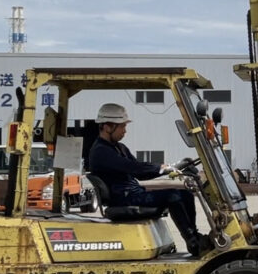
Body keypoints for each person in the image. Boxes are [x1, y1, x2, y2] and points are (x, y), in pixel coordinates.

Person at [87, 103, 213, 257]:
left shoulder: (119, 147)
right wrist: (164, 168)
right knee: (173, 195)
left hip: (132, 193)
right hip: (123, 198)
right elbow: (134, 167)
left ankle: (194, 235)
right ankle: (193, 243)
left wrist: (171, 167)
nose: (125, 131)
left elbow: (140, 173)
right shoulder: (101, 151)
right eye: (122, 127)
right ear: (107, 127)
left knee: (185, 193)